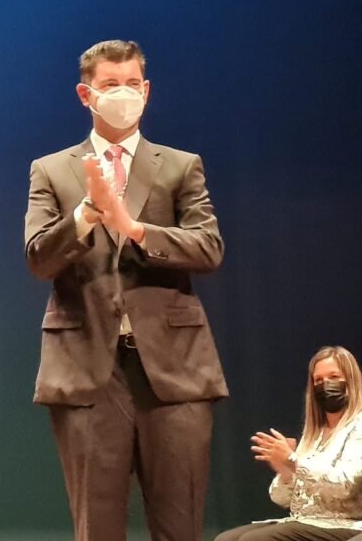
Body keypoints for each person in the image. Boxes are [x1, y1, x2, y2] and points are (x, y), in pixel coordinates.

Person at [25, 40, 227, 540]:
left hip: (174, 369)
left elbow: (208, 249)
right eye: (110, 85)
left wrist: (134, 228)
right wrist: (85, 216)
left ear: (147, 89)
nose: (123, 94)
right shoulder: (52, 170)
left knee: (179, 523)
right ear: (85, 94)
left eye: (132, 84)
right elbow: (38, 259)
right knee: (98, 527)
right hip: (89, 368)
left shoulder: (181, 166)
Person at [215, 346, 362, 541]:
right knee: (226, 539)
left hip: (343, 524)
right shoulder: (314, 435)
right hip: (305, 521)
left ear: (350, 381)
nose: (326, 385)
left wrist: (293, 461)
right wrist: (285, 472)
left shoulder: (358, 427)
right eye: (318, 380)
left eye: (334, 377)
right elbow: (283, 500)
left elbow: (345, 486)